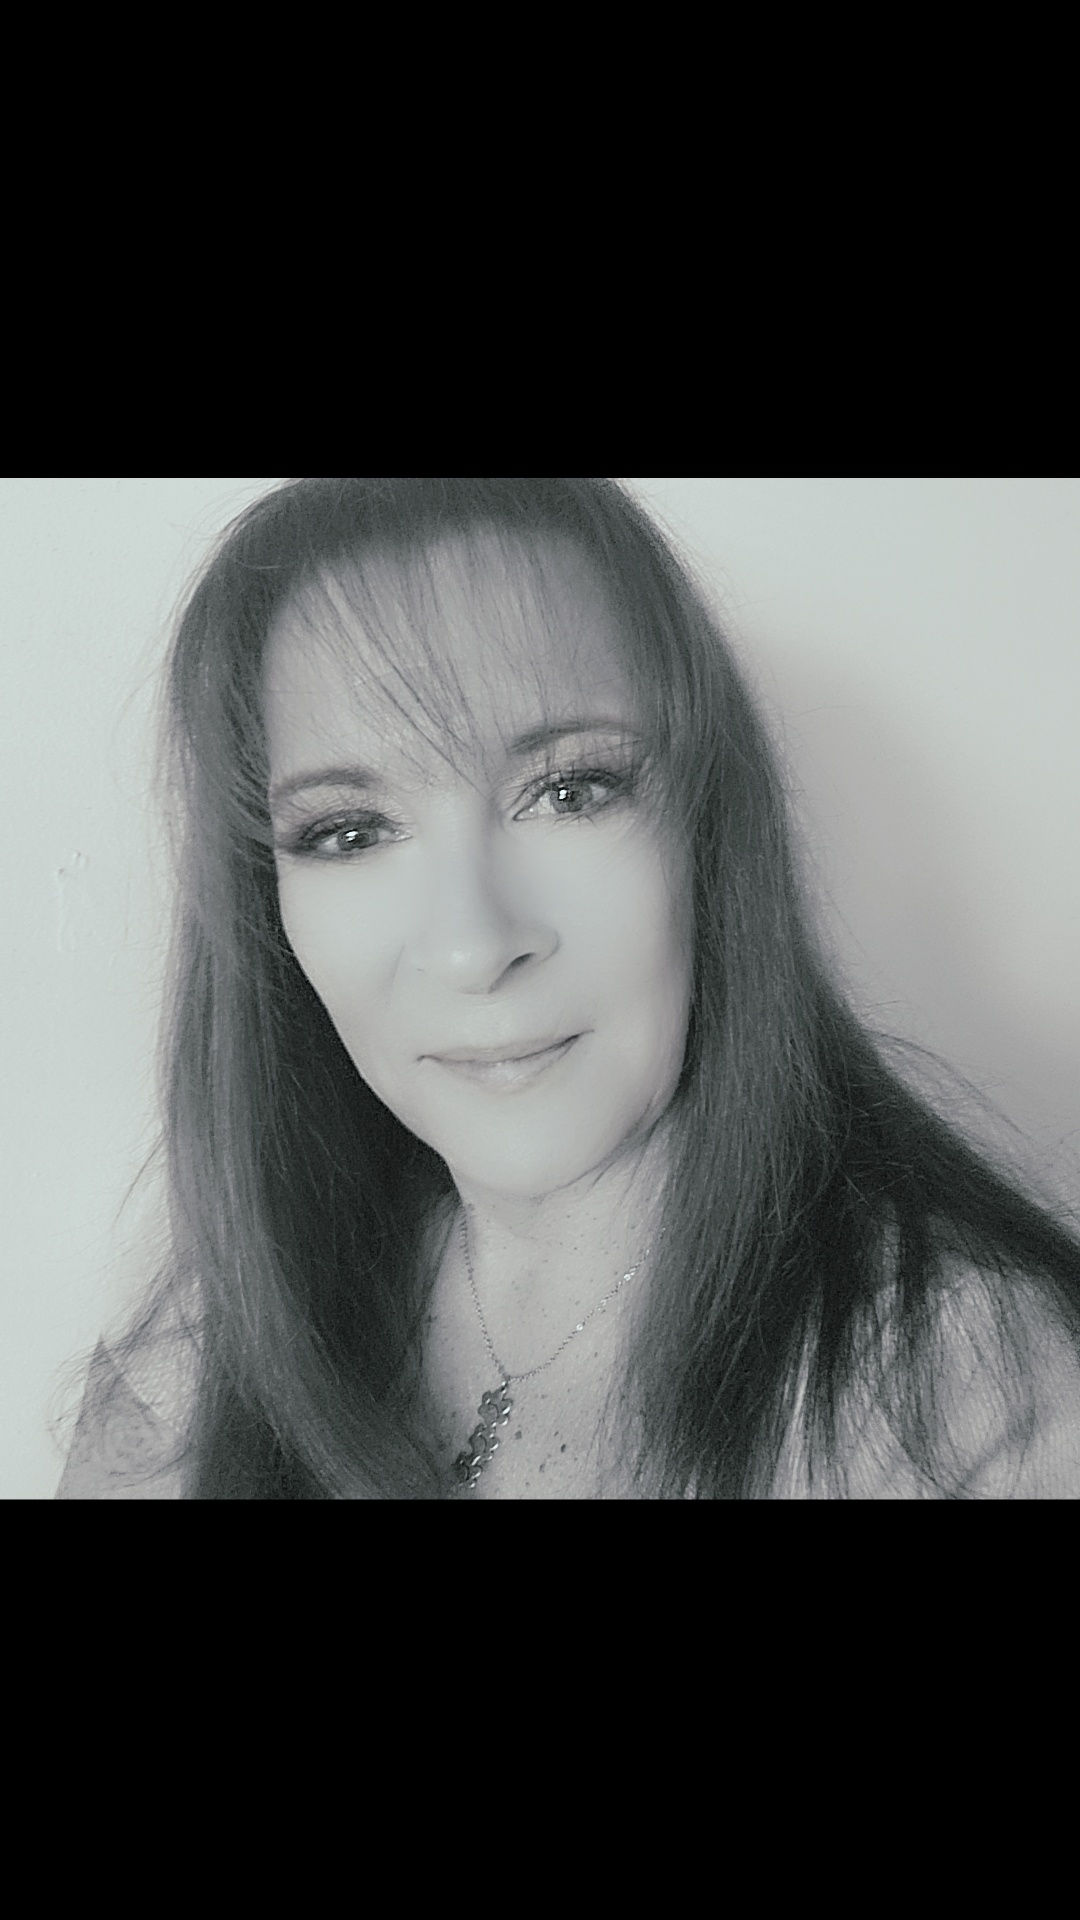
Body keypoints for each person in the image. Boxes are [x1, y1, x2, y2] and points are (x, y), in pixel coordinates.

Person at [56, 478, 1080, 1499]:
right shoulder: (200, 1366)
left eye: (569, 791)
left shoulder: (977, 1409)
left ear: (707, 830)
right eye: (349, 833)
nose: (474, 947)